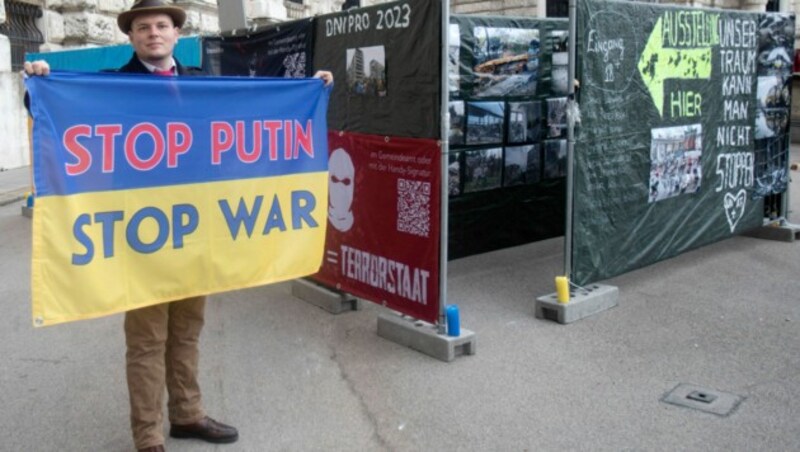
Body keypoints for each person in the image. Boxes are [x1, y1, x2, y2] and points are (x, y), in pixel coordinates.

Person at [24, 1, 333, 451]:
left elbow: (254, 112)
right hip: (141, 234)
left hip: (193, 231)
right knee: (148, 339)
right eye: (144, 27)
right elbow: (56, 107)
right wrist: (38, 81)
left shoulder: (202, 85)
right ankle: (147, 435)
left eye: (162, 25)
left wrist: (313, 88)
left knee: (187, 330)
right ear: (131, 37)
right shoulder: (112, 86)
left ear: (175, 33)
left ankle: (187, 415)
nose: (153, 33)